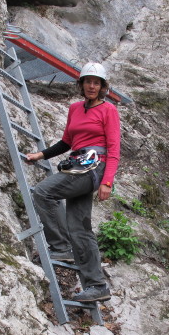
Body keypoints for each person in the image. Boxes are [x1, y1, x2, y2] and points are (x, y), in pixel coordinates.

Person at [25, 62, 120, 303]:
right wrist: (42, 154)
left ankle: (60, 247)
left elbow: (114, 149)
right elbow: (67, 141)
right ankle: (97, 285)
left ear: (102, 87)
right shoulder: (75, 109)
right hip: (77, 165)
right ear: (81, 84)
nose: (91, 86)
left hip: (94, 167)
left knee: (44, 192)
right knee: (80, 228)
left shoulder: (108, 110)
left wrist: (107, 181)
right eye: (88, 81)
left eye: (96, 83)